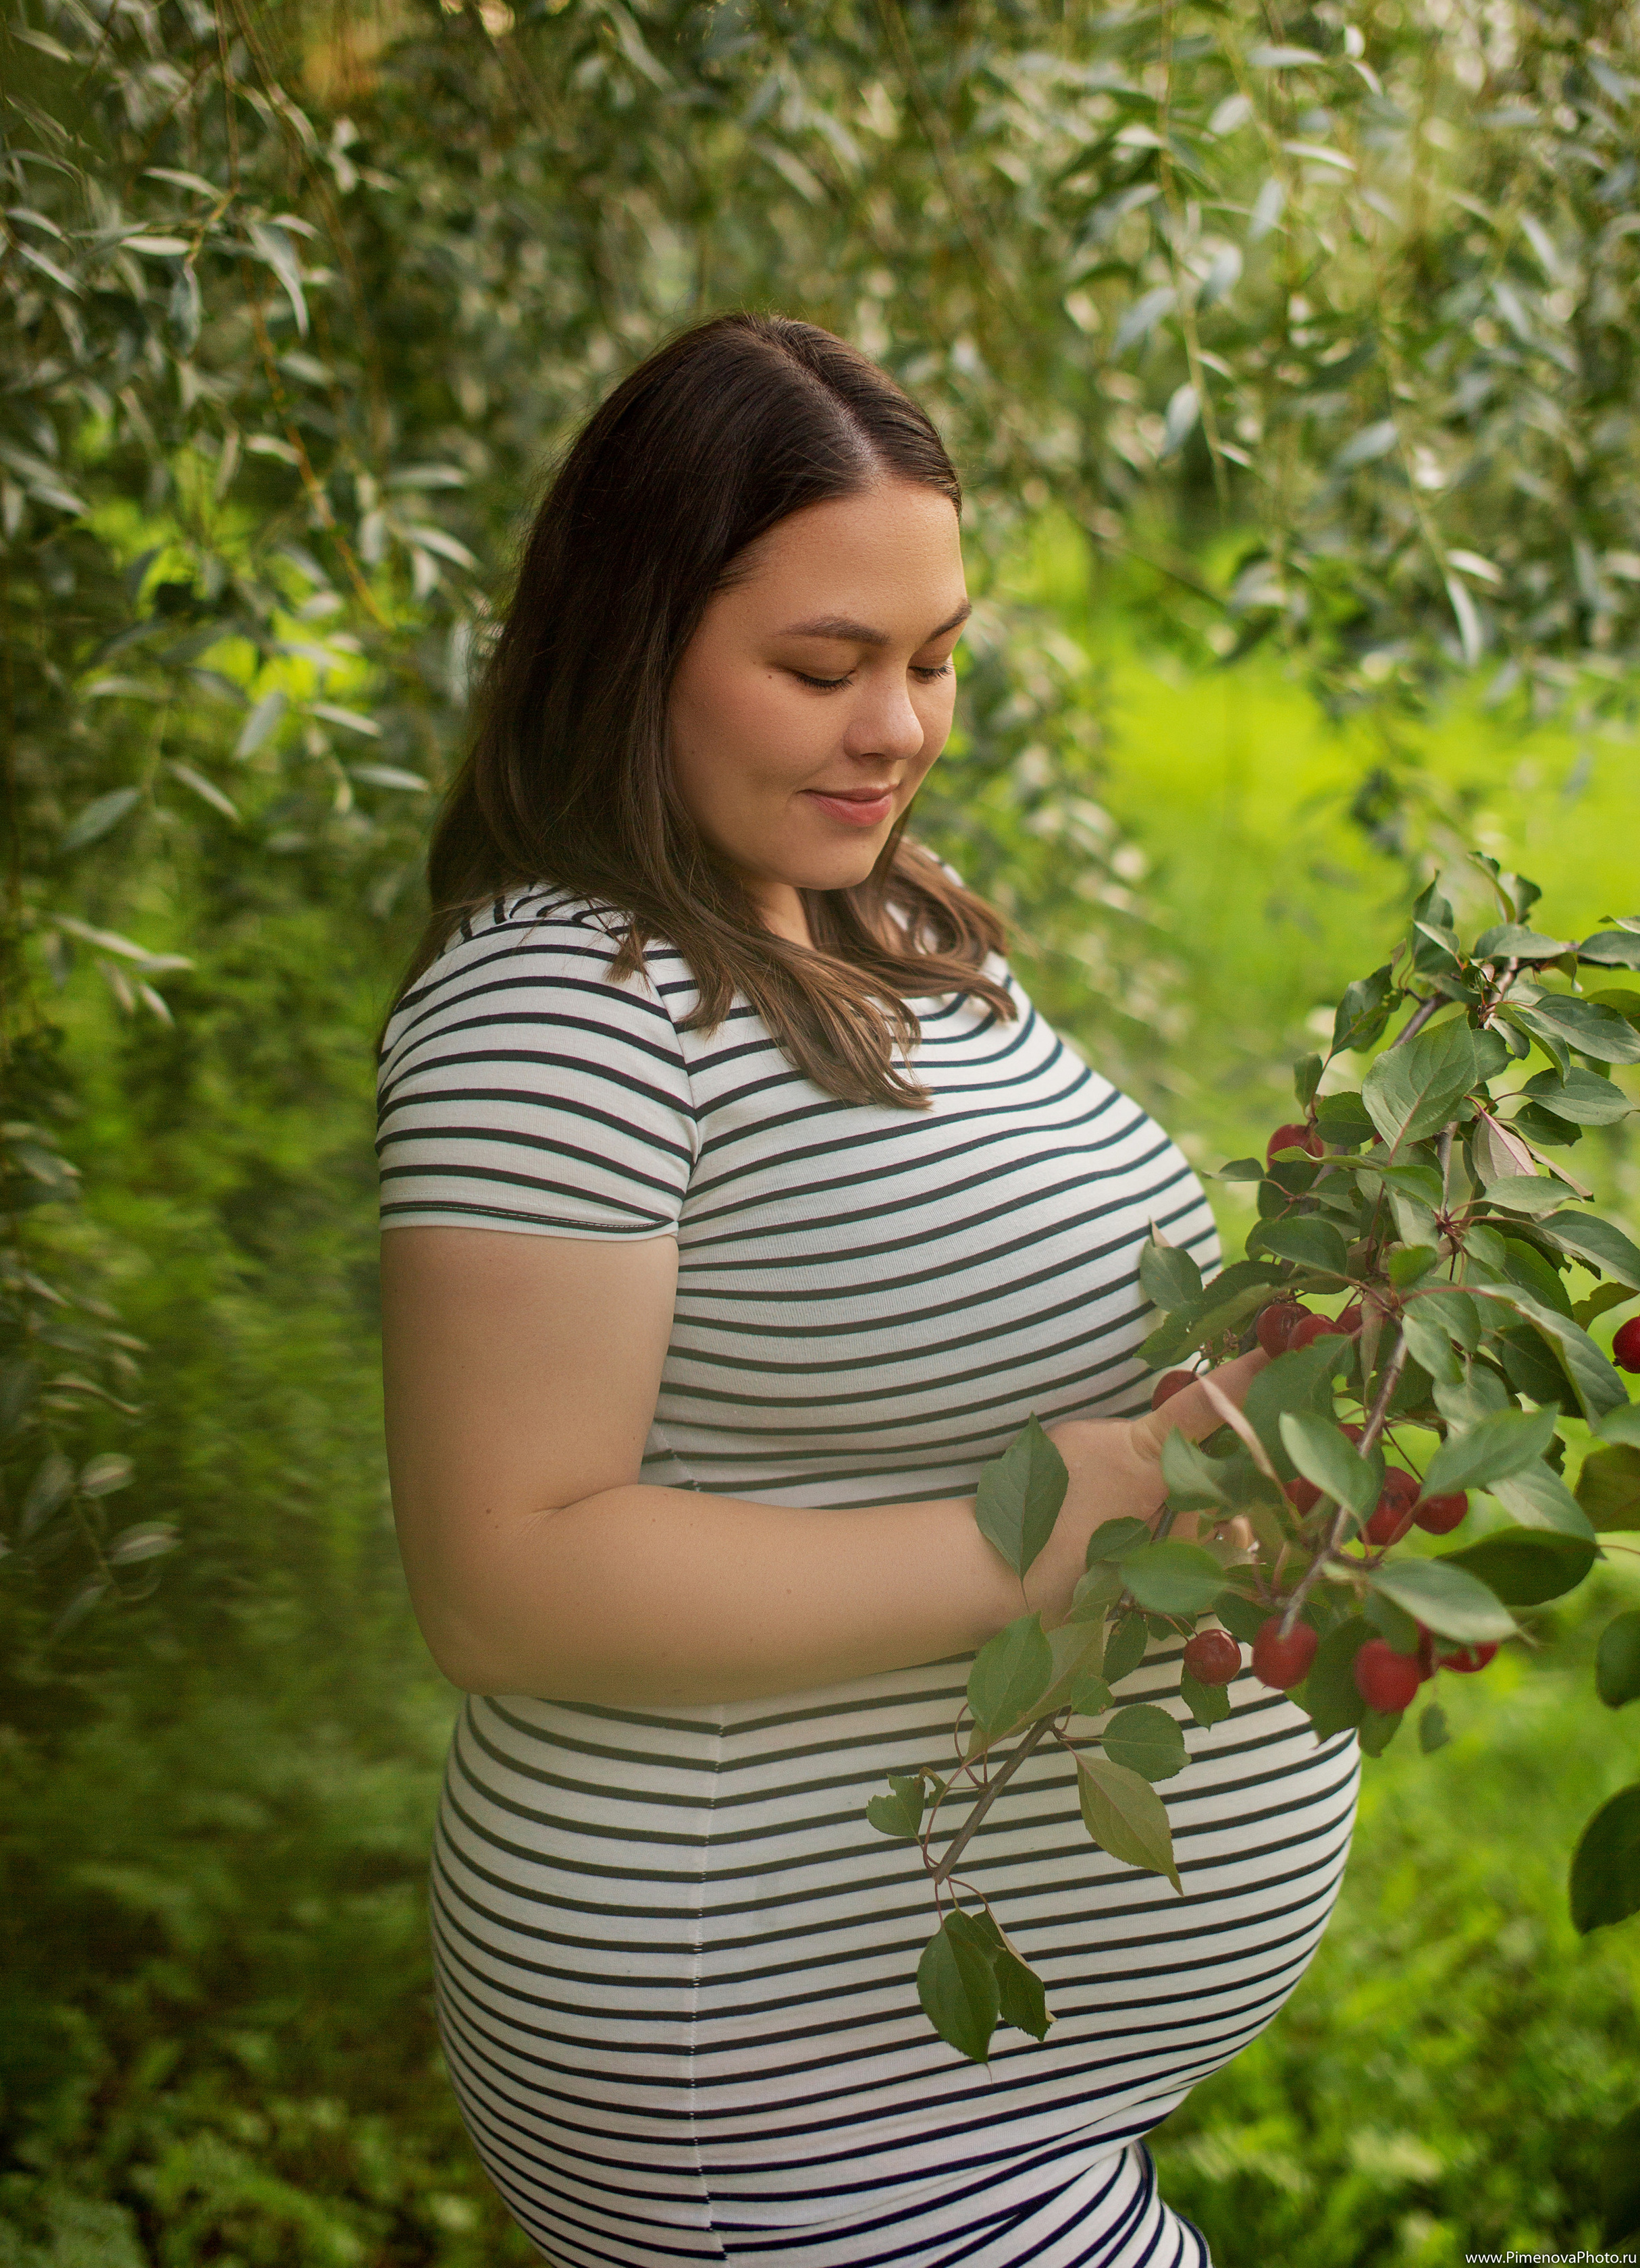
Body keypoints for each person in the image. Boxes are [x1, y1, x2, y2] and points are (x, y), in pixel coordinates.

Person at [376, 314, 1359, 2268]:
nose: (899, 727)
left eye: (933, 660)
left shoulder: (874, 923)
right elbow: (503, 1578)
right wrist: (1080, 1523)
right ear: (633, 639)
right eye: (822, 667)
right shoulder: (563, 1008)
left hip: (972, 2100)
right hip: (771, 2100)